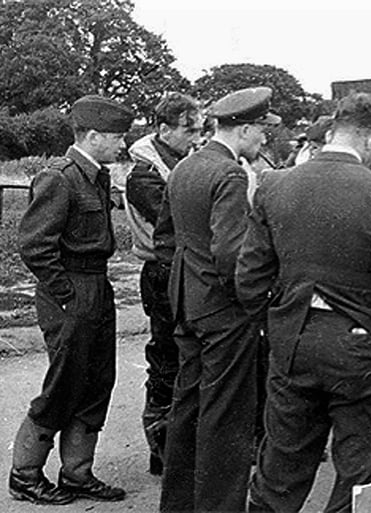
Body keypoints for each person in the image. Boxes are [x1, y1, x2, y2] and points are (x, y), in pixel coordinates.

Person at [237, 92, 371, 513]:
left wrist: (276, 327)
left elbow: (249, 278)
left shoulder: (275, 184)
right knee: (362, 472)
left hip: (294, 343)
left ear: (333, 132)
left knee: (280, 467)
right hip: (363, 349)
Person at [158, 87, 280, 513]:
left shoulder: (184, 167)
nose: (264, 139)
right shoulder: (229, 174)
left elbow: (165, 239)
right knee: (227, 417)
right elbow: (231, 255)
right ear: (243, 129)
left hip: (187, 303)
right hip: (224, 311)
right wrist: (255, 302)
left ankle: (178, 506)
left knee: (188, 409)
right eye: (262, 130)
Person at [9, 95, 134, 505]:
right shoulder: (59, 177)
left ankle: (77, 474)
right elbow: (34, 245)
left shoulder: (96, 176)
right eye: (117, 136)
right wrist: (66, 295)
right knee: (64, 384)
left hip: (97, 286)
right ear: (93, 136)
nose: (122, 144)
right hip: (72, 291)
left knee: (97, 382)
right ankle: (25, 475)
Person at [124, 91, 203, 476]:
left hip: (181, 267)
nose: (196, 138)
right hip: (162, 272)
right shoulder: (144, 174)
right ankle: (163, 448)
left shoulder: (178, 162)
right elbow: (175, 220)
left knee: (185, 355)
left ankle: (179, 444)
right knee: (167, 358)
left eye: (199, 130)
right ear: (163, 129)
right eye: (189, 130)